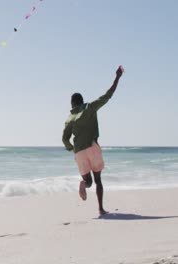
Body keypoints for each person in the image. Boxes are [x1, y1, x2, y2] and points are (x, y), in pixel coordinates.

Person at [62, 66, 124, 215]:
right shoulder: (90, 108)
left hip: (79, 152)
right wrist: (117, 77)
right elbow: (107, 95)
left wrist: (71, 148)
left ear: (72, 104)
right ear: (82, 101)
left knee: (88, 181)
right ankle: (101, 209)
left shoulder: (69, 119)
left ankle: (84, 183)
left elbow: (65, 138)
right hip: (92, 147)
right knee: (98, 180)